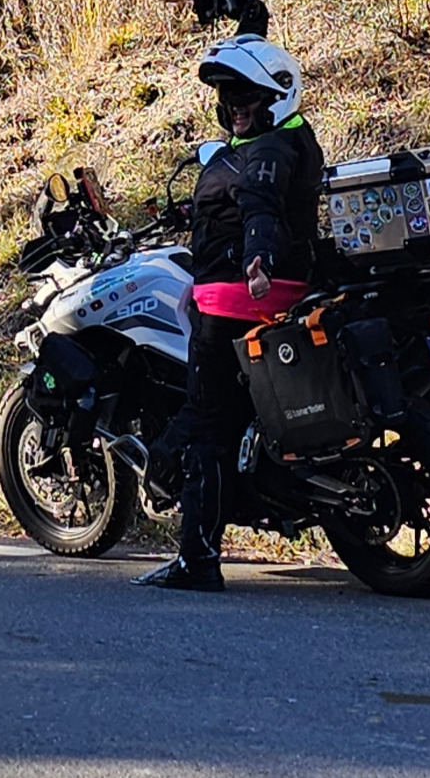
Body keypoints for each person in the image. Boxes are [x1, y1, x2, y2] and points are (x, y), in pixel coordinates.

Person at [135, 29, 324, 592]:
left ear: (276, 97)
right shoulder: (292, 139)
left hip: (236, 300)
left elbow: (261, 207)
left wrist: (257, 259)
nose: (235, 107)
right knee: (224, 415)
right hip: (269, 293)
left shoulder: (265, 155)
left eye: (246, 97)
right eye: (228, 97)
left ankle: (196, 556)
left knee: (206, 424)